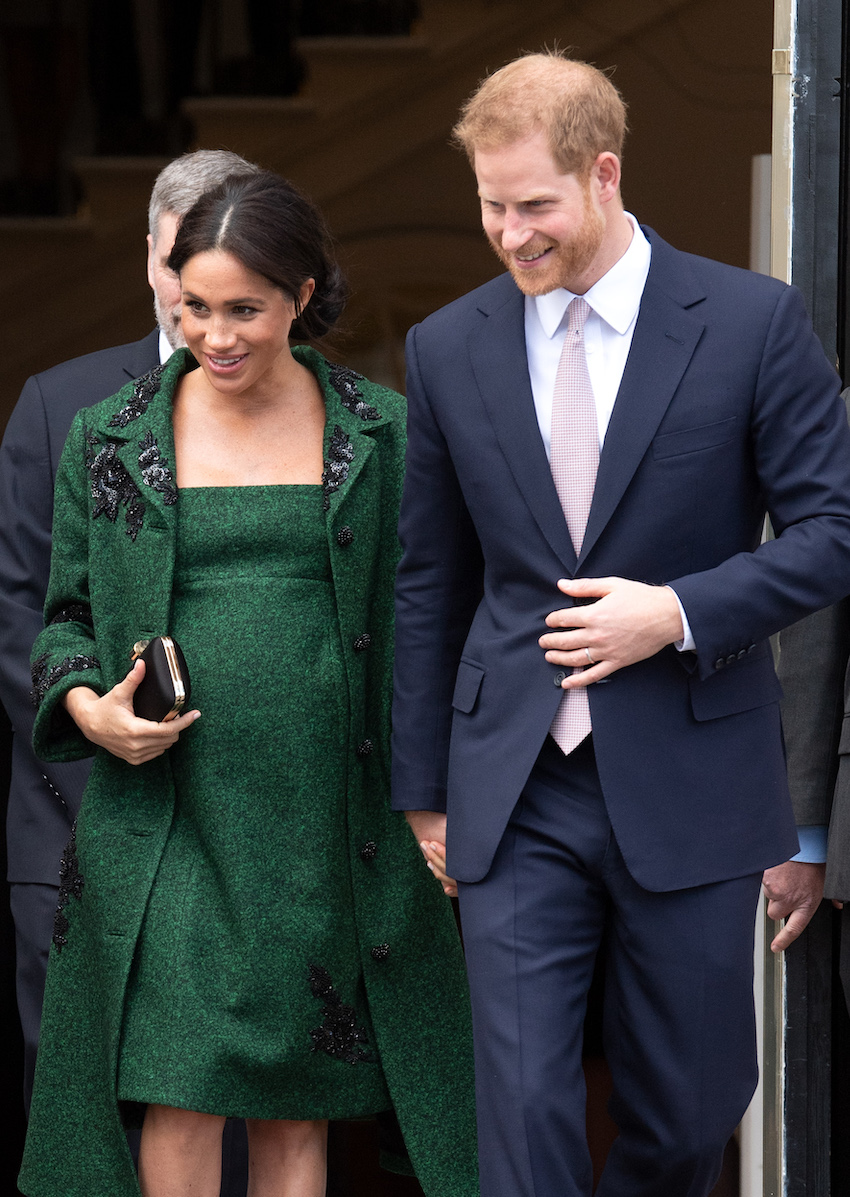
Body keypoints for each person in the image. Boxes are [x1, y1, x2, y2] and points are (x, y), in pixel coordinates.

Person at [391, 51, 850, 1197]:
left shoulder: (750, 322)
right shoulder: (446, 346)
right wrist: (422, 786)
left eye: (533, 204)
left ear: (604, 175)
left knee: (690, 1110)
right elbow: (428, 576)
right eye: (490, 205)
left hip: (692, 774)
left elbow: (832, 530)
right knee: (520, 1108)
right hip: (513, 784)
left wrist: (679, 611)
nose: (508, 233)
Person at [18, 170, 477, 1197]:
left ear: (303, 296)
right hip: (169, 812)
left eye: (243, 311)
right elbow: (65, 620)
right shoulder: (108, 435)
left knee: (291, 1101)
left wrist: (431, 800)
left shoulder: (383, 433)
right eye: (193, 308)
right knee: (178, 1086)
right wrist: (92, 709)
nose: (214, 336)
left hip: (327, 812)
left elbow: (429, 623)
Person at [0, 147, 260, 1122]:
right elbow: (12, 607)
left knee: (239, 1124)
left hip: (250, 842)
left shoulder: (326, 421)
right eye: (175, 260)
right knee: (87, 1124)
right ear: (148, 255)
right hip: (74, 822)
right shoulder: (57, 406)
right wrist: (86, 715)